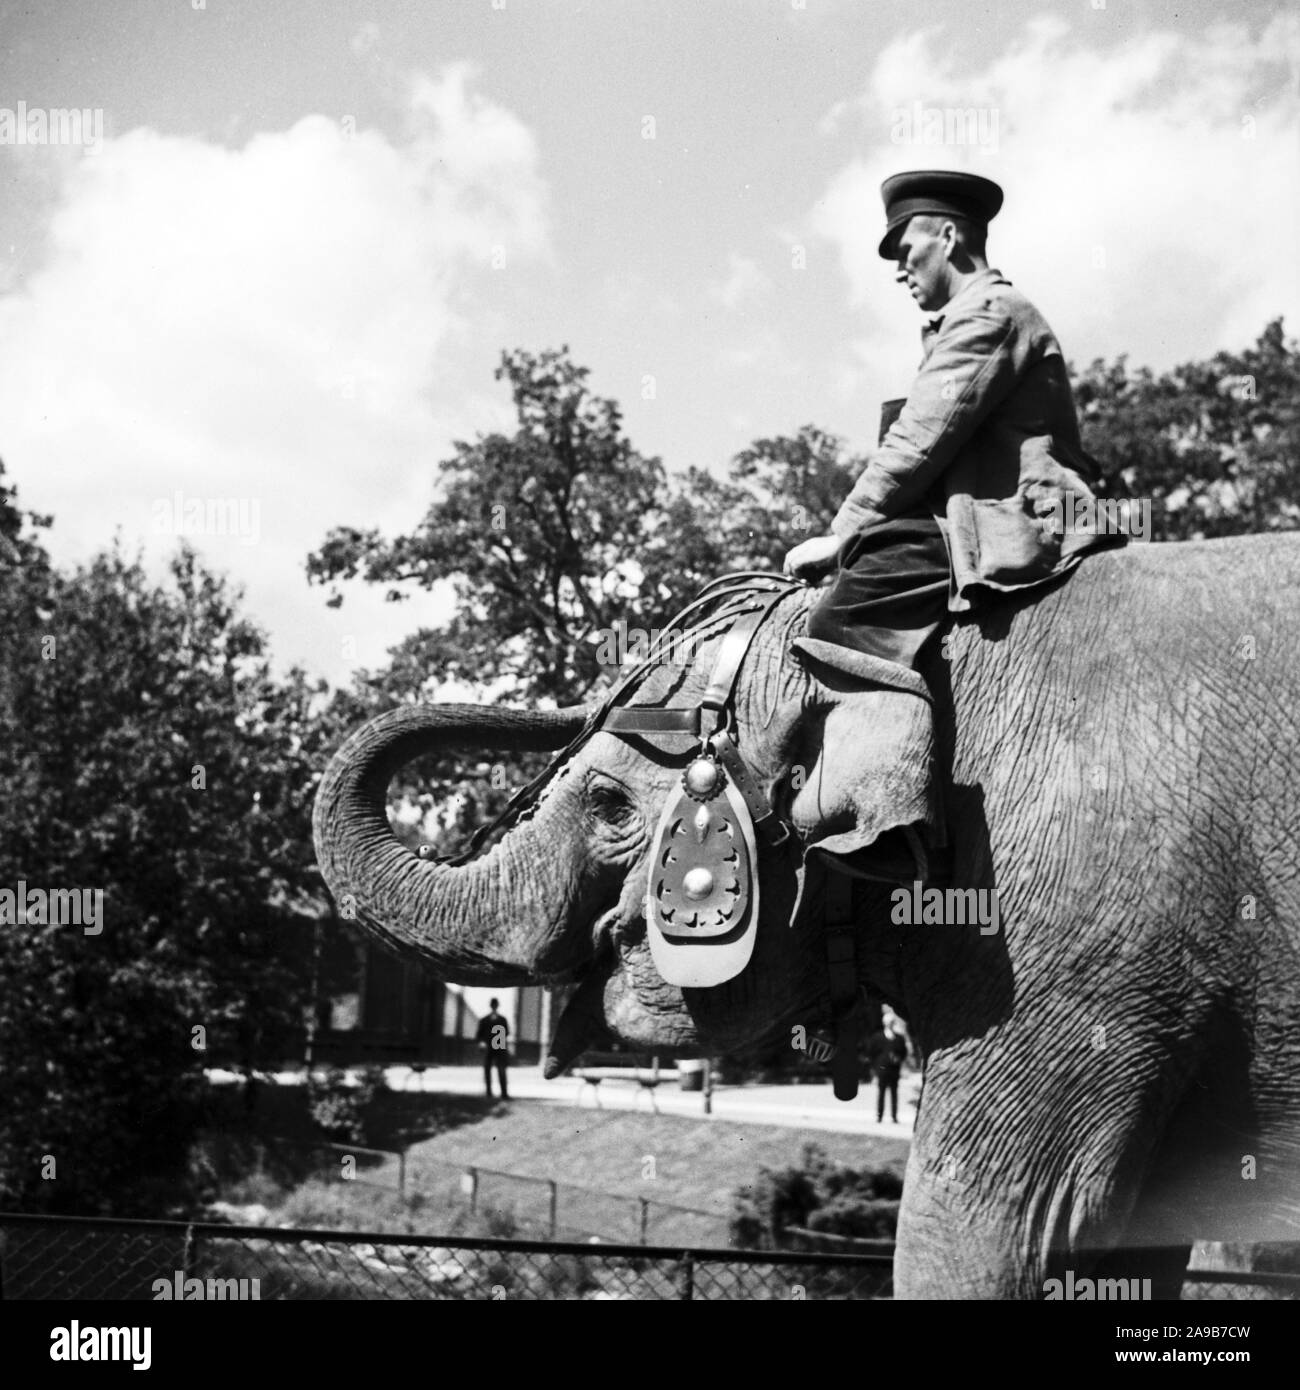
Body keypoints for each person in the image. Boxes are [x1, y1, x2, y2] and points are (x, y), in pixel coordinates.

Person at [782, 170, 1122, 867]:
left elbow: (920, 441)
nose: (899, 267)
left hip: (1013, 521)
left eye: (907, 247)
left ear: (949, 234)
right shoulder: (964, 321)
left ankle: (890, 815)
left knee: (852, 603)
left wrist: (840, 536)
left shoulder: (990, 313)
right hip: (970, 515)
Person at [870, 1015, 909, 1124]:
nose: (891, 1024)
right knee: (881, 1093)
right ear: (885, 1023)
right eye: (889, 1022)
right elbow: (872, 1053)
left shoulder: (899, 1038)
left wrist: (899, 1058)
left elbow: (904, 1053)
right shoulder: (877, 1037)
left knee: (894, 1093)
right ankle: (879, 1116)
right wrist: (875, 1068)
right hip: (882, 1070)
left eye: (893, 1022)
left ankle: (894, 1116)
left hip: (894, 1070)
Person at [475, 997, 510, 1099]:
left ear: (497, 1006)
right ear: (491, 1006)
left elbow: (507, 1032)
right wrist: (482, 1042)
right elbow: (479, 1034)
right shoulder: (484, 1020)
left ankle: (504, 1093)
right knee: (487, 1070)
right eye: (493, 1005)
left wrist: (499, 1040)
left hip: (499, 1047)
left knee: (501, 1070)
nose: (494, 1006)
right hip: (488, 1048)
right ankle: (488, 1092)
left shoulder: (502, 1020)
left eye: (495, 1005)